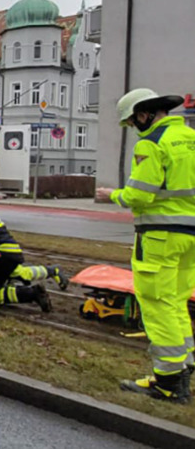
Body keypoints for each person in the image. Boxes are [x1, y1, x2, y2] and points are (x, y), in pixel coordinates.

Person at [96, 89, 195, 404]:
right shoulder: (189, 137)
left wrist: (112, 195)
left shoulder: (151, 144)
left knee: (156, 304)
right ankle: (185, 368)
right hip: (190, 236)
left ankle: (168, 383)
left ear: (143, 114)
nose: (135, 128)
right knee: (177, 301)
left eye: (132, 122)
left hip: (159, 237)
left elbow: (139, 195)